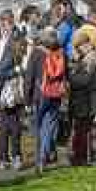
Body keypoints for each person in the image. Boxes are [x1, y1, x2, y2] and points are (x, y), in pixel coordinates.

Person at [26, 28, 66, 169]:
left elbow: (29, 77)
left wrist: (27, 99)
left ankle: (39, 159)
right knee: (49, 126)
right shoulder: (60, 52)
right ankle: (44, 155)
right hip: (56, 94)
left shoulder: (36, 53)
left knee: (37, 127)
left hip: (40, 94)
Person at [0, 9, 25, 170]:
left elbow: (20, 64)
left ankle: (12, 156)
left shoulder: (16, 40)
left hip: (13, 87)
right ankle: (7, 157)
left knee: (13, 124)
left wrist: (12, 72)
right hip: (1, 87)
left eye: (8, 22)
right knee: (7, 124)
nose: (4, 25)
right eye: (2, 22)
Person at [68, 26, 96, 166]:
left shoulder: (91, 57)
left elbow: (85, 79)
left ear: (84, 44)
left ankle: (82, 155)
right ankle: (81, 154)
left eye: (78, 47)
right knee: (81, 127)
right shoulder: (87, 57)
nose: (76, 50)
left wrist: (72, 74)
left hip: (88, 97)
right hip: (84, 97)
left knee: (83, 128)